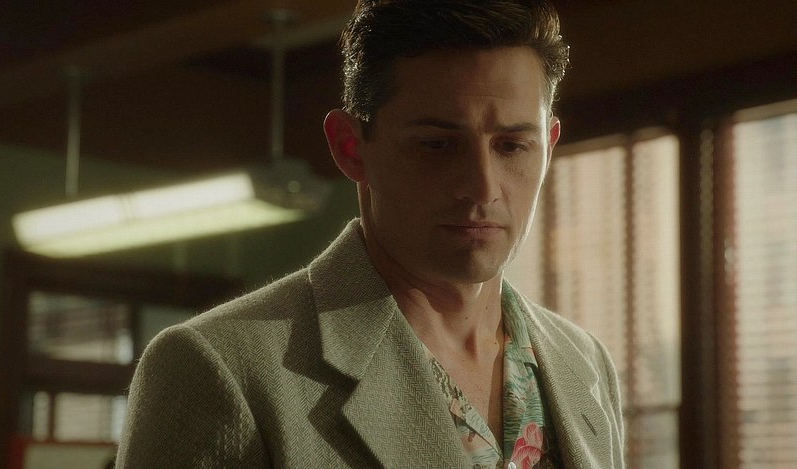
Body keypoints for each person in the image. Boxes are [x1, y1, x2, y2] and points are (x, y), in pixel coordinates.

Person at [116, 1, 625, 467]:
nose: (482, 188)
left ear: (548, 146)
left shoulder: (582, 362)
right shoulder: (221, 368)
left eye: (512, 146)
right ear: (351, 147)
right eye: (437, 145)